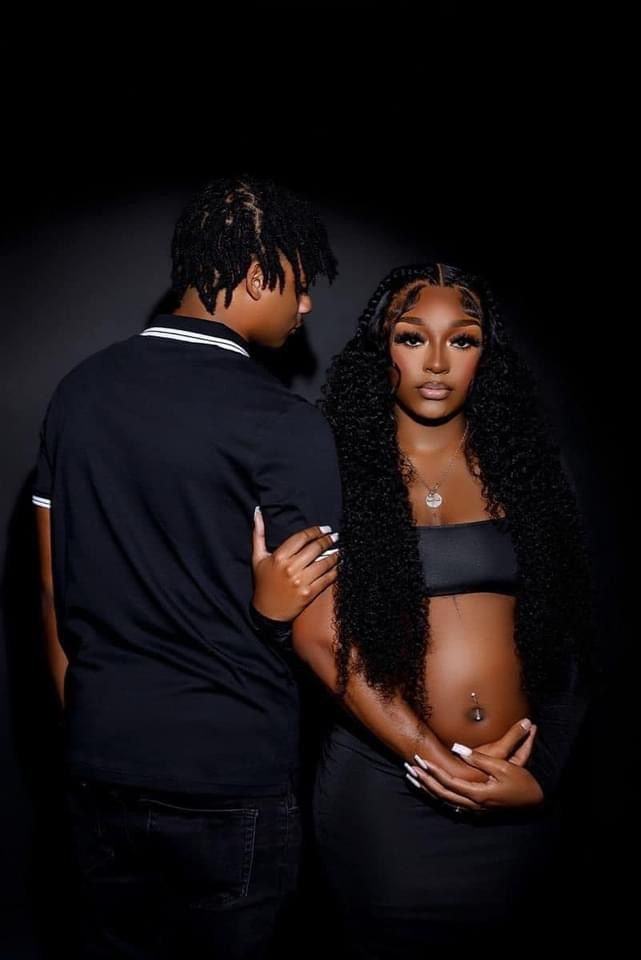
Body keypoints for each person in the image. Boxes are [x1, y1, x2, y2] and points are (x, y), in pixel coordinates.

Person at [33, 175, 342, 959]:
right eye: (300, 284)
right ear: (256, 273)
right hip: (228, 778)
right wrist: (267, 617)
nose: (305, 307)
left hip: (100, 763)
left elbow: (51, 586)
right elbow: (319, 635)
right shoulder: (284, 424)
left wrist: (89, 720)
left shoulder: (77, 394)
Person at [251, 262, 592, 952]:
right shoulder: (327, 464)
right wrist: (433, 758)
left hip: (513, 790)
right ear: (382, 349)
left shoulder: (528, 471)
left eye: (461, 341)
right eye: (412, 338)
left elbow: (570, 640)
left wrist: (541, 774)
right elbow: (320, 641)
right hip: (384, 793)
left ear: (484, 356)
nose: (436, 361)